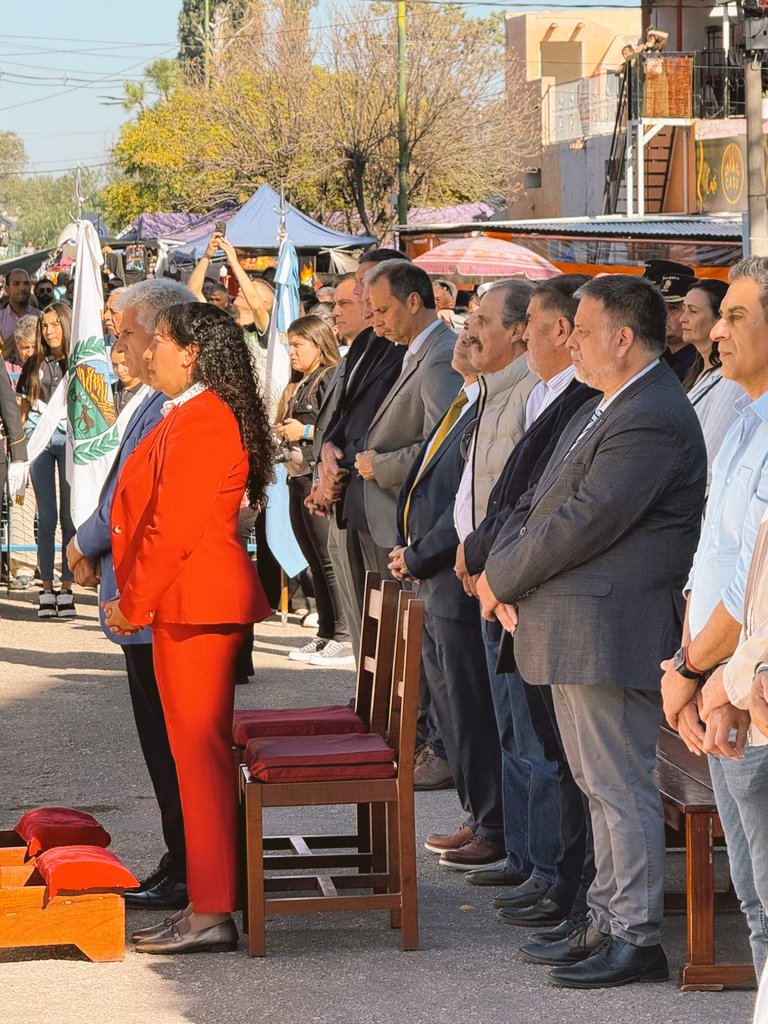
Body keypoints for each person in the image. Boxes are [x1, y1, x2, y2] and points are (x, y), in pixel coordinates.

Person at [479, 275, 706, 988]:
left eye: (581, 329)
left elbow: (584, 521)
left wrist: (501, 578)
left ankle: (634, 935)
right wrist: (500, 571)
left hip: (608, 629)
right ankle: (606, 919)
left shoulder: (651, 413)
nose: (569, 341)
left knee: (618, 787)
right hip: (578, 625)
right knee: (597, 784)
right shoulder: (611, 402)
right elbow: (537, 501)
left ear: (623, 338)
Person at [104, 301, 273, 955]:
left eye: (159, 342)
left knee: (199, 763)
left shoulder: (203, 417)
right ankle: (208, 905)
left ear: (192, 353)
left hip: (194, 606)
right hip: (187, 605)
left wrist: (133, 603)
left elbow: (172, 528)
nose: (147, 353)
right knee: (195, 762)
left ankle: (211, 912)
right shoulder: (191, 411)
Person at [457, 277, 599, 936]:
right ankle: (535, 865)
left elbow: (557, 515)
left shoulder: (584, 399)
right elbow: (514, 498)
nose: (523, 334)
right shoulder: (543, 393)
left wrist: (497, 570)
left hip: (538, 597)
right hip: (506, 585)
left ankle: (557, 877)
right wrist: (482, 555)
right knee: (523, 737)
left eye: (531, 322)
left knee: (559, 757)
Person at [67, 280, 197, 911]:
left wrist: (83, 543)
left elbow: (136, 499)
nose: (122, 347)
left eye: (129, 333)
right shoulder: (153, 398)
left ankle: (192, 869)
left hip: (159, 603)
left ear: (168, 335)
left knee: (173, 747)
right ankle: (182, 858)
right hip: (141, 598)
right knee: (160, 744)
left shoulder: (180, 405)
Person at [660, 256, 768, 979]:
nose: (717, 332)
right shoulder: (745, 422)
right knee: (753, 898)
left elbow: (753, 582)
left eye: (736, 317)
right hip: (721, 682)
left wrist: (699, 670)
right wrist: (692, 671)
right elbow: (710, 561)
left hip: (748, 685)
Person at [390, 323, 504, 868]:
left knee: (471, 713)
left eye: (481, 327)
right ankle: (477, 816)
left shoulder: (493, 403)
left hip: (457, 579)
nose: (466, 335)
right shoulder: (466, 399)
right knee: (454, 713)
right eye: (466, 326)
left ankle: (492, 824)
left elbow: (470, 505)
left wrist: (419, 554)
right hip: (437, 578)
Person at [313, 252, 407, 656]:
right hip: (347, 495)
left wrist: (346, 464)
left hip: (383, 497)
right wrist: (327, 455)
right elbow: (345, 414)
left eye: (370, 284)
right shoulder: (366, 343)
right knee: (363, 623)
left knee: (391, 636)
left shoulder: (412, 349)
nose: (363, 293)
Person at [353, 259, 460, 578]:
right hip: (394, 518)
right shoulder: (417, 351)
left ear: (413, 302)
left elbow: (442, 448)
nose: (376, 321)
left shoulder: (440, 355)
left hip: (415, 523)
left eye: (383, 310)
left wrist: (380, 466)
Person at [275, 314, 353, 667]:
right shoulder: (300, 382)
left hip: (317, 477)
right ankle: (325, 631)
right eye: (289, 345)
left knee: (328, 559)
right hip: (297, 477)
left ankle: (343, 635)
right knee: (314, 559)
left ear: (318, 344)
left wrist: (303, 432)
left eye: (298, 345)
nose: (291, 352)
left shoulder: (330, 378)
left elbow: (336, 428)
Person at [17, 302, 76, 619]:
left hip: (70, 442)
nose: (49, 331)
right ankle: (47, 588)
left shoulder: (77, 362)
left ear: (66, 325)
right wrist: (18, 452)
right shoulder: (33, 363)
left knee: (69, 516)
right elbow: (23, 409)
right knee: (47, 517)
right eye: (45, 325)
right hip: (39, 442)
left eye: (55, 324)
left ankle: (67, 587)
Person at [679, 279, 743, 487]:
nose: (682, 318)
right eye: (683, 309)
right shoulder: (698, 372)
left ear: (718, 318)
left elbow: (708, 458)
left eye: (693, 311)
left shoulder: (728, 381)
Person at [642, 259, 697, 382]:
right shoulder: (658, 357)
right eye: (660, 307)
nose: (663, 314)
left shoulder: (694, 365)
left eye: (673, 308)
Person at [0, 269, 39, 348]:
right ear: (7, 289)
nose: (22, 288)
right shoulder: (1, 319)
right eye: (16, 284)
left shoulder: (41, 316)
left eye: (26, 283)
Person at [4, 314, 37, 385]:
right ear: (17, 346)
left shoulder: (50, 369)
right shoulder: (7, 370)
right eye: (25, 348)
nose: (30, 353)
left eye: (35, 347)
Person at [111, 345, 144, 415]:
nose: (119, 370)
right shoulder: (108, 392)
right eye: (115, 365)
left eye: (124, 364)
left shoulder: (149, 393)